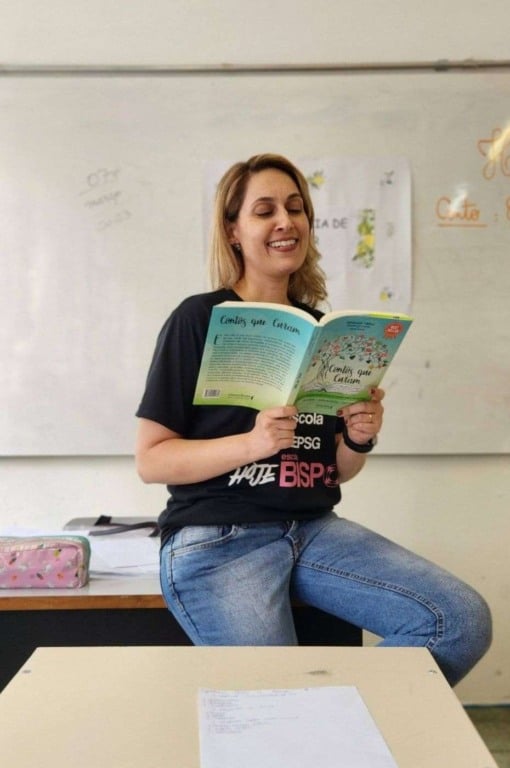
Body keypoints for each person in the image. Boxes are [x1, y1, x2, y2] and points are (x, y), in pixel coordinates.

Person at [135, 153, 491, 686]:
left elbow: (336, 470)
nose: (286, 221)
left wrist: (359, 436)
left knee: (459, 621)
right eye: (265, 210)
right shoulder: (198, 318)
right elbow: (152, 459)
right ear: (233, 231)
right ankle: (317, 720)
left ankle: (335, 718)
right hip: (220, 539)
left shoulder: (326, 330)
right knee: (279, 702)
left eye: (296, 208)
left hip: (313, 528)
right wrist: (251, 444)